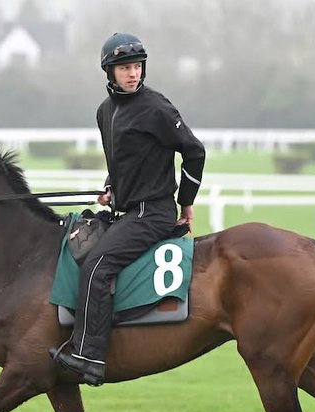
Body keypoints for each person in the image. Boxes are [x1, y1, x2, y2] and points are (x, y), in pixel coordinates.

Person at [51, 32, 206, 386]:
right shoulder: (105, 112)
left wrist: (186, 201)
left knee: (97, 266)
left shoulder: (156, 107)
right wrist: (111, 187)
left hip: (153, 214)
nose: (133, 73)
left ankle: (89, 356)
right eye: (124, 68)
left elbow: (194, 152)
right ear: (110, 72)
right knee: (76, 248)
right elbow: (124, 162)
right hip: (125, 212)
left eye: (136, 66)